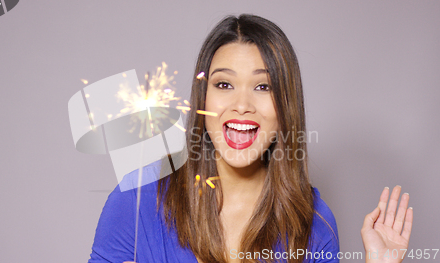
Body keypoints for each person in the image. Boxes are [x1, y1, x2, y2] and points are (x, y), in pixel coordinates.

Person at [88, 14, 413, 263]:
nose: (241, 105)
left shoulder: (314, 224)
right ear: (202, 101)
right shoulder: (136, 202)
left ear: (285, 107)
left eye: (263, 87)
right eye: (224, 85)